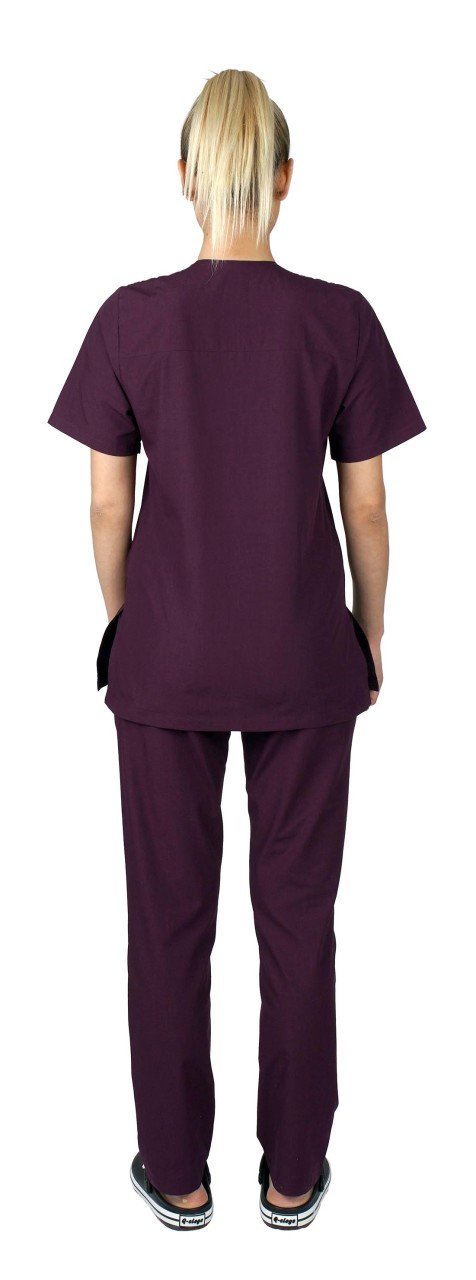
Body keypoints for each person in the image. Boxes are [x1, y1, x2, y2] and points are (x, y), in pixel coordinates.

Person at [47, 68, 427, 1232]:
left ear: (182, 178)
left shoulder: (130, 317)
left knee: (168, 922)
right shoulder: (339, 318)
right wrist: (369, 629)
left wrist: (127, 621)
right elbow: (366, 508)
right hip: (305, 658)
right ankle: (291, 1173)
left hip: (163, 660)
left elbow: (105, 507)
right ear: (284, 179)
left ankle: (177, 1171)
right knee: (296, 922)